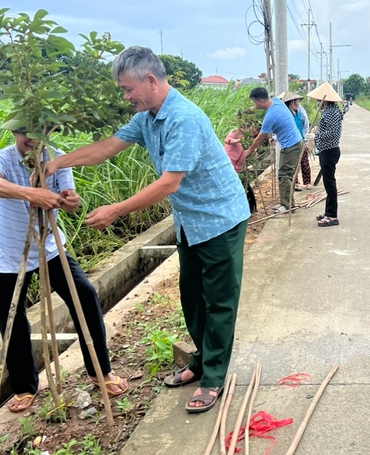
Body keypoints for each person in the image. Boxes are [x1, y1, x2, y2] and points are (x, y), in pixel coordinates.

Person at [44, 46, 250, 414]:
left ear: (151, 81)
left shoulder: (183, 118)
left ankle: (214, 378)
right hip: (190, 221)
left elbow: (169, 183)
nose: (125, 97)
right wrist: (57, 162)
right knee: (192, 296)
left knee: (219, 301)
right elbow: (107, 147)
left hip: (219, 220)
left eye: (127, 89)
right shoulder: (147, 117)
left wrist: (116, 211)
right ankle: (202, 359)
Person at [0, 117, 128, 413]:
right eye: (26, 137)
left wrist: (69, 201)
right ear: (16, 134)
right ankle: (24, 386)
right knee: (10, 315)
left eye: (38, 137)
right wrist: (31, 193)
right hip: (8, 252)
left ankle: (100, 371)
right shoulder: (5, 159)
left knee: (84, 296)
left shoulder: (56, 157)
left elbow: (70, 197)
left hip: (48, 246)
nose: (32, 143)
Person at [243, 87, 303, 214]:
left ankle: (287, 206)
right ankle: (285, 203)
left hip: (291, 145)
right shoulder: (276, 101)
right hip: (293, 142)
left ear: (260, 100)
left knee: (284, 175)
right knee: (284, 174)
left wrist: (248, 151)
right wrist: (248, 111)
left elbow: (260, 138)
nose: (254, 105)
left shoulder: (270, 116)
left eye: (254, 102)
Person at [306, 82, 344, 227]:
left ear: (326, 100)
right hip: (325, 151)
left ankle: (332, 216)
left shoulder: (332, 112)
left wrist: (316, 136)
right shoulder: (328, 111)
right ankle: (328, 212)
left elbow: (333, 133)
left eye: (319, 100)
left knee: (329, 184)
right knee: (328, 184)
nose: (318, 103)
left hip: (329, 151)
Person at [280, 91, 312, 191]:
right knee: (293, 164)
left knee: (304, 162)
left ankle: (308, 182)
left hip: (301, 140)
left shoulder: (300, 111)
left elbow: (305, 126)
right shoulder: (285, 114)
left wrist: (305, 140)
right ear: (291, 102)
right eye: (297, 102)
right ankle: (296, 182)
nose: (298, 103)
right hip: (290, 143)